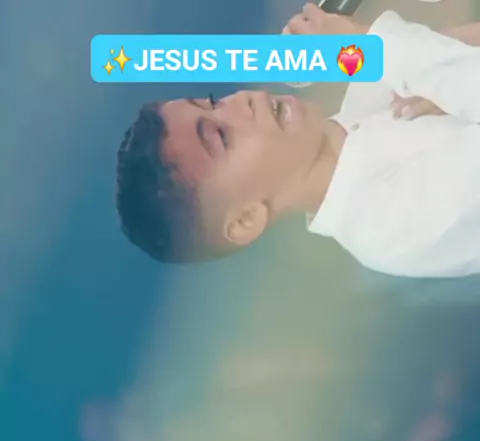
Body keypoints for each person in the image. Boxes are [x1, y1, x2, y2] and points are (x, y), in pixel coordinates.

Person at [116, 7, 480, 278]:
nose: (242, 100)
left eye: (215, 102)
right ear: (246, 219)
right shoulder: (390, 226)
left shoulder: (364, 102)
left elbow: (449, 56)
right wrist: (365, 47)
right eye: (222, 136)